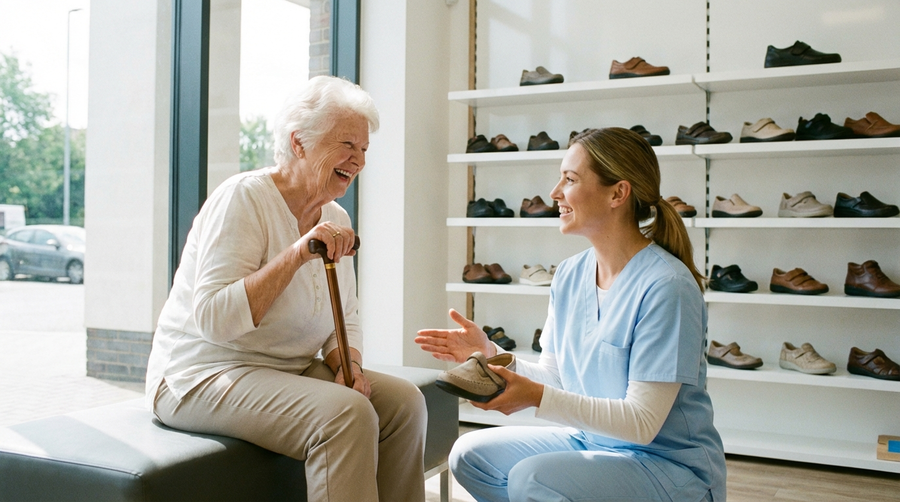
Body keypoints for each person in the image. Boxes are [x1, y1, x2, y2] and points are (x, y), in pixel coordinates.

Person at [145, 76, 427, 502]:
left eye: (364, 149)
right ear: (299, 143)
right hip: (201, 373)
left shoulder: (335, 216)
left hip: (285, 368)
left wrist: (348, 368)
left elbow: (344, 316)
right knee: (345, 415)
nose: (359, 160)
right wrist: (296, 254)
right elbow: (215, 321)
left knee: (404, 404)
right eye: (347, 145)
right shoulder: (243, 198)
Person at [416, 127, 726, 501]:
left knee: (532, 479)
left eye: (570, 179)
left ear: (618, 193)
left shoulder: (667, 286)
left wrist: (536, 397)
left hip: (668, 466)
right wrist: (491, 354)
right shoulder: (569, 274)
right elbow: (557, 377)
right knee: (470, 455)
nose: (555, 192)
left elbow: (642, 423)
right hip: (593, 441)